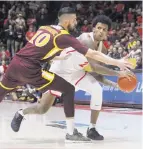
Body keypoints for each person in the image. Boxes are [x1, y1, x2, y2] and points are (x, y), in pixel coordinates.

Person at [11, 14, 134, 141]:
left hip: (77, 73)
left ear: (108, 32)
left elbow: (96, 75)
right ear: (94, 28)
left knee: (97, 89)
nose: (101, 31)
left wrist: (116, 85)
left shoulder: (103, 50)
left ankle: (92, 129)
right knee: (42, 108)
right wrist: (118, 72)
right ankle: (21, 113)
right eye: (99, 28)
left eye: (104, 29)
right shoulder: (85, 39)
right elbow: (94, 67)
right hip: (60, 72)